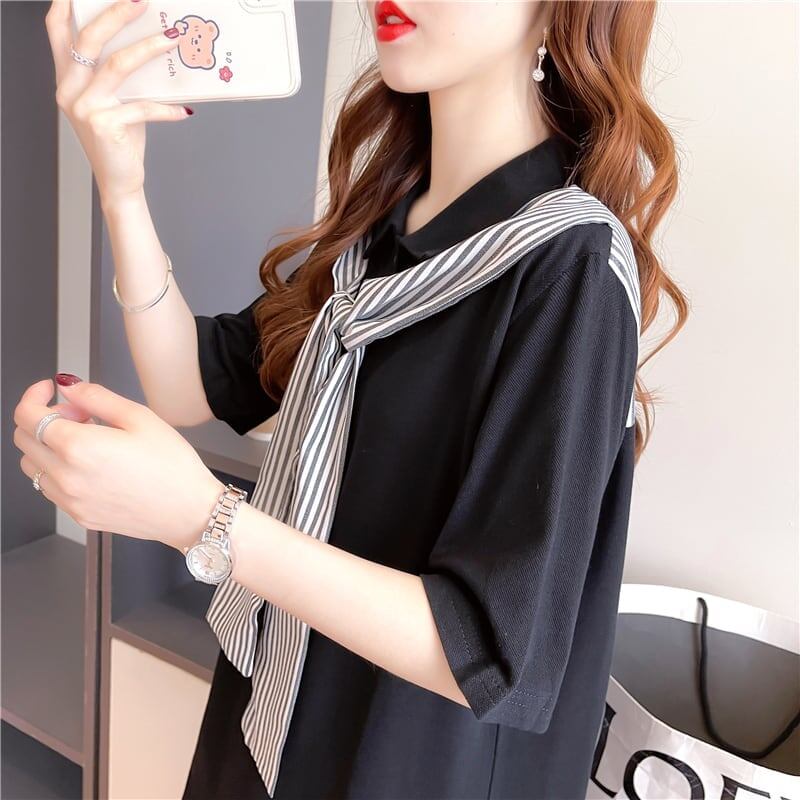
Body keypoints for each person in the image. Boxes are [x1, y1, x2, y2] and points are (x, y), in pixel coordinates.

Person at [14, 0, 687, 798]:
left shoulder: (570, 270)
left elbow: (492, 651)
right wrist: (121, 186)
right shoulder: (381, 229)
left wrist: (203, 518)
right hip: (270, 716)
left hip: (404, 766)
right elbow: (188, 383)